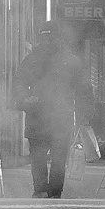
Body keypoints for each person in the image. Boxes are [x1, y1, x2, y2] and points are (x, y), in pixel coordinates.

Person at [12, 18, 87, 198]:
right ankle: (53, 193)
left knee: (38, 157)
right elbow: (83, 90)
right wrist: (84, 114)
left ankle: (41, 191)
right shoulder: (70, 60)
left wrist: (25, 99)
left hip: (38, 115)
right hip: (60, 118)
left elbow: (18, 83)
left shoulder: (32, 59)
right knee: (58, 159)